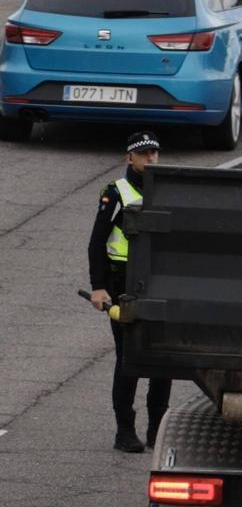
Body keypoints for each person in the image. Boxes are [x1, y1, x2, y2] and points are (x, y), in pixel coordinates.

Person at [87, 131, 172, 453]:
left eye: (154, 152)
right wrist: (98, 287)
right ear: (130, 158)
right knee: (128, 358)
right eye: (144, 153)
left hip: (157, 281)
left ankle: (157, 429)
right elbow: (97, 242)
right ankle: (124, 430)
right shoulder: (116, 192)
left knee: (162, 358)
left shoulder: (165, 188)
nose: (151, 158)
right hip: (123, 283)